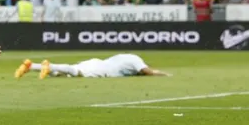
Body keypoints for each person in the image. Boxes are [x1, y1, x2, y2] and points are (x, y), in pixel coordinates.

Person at [14, 54, 171, 79]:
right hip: (103, 70)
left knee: (68, 74)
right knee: (75, 72)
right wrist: (165, 74)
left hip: (97, 62)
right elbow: (148, 72)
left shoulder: (125, 56)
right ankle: (49, 65)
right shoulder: (137, 61)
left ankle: (30, 66)